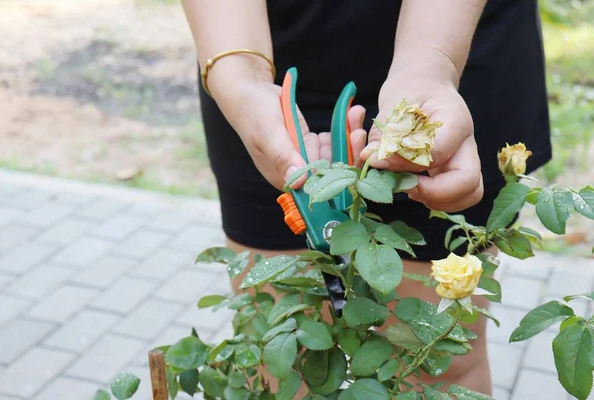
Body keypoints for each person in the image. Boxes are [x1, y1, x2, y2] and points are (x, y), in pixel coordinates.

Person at [181, 0, 552, 395]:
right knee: (285, 372)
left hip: (448, 54)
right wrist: (240, 77)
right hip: (253, 55)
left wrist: (431, 63)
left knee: (438, 371)